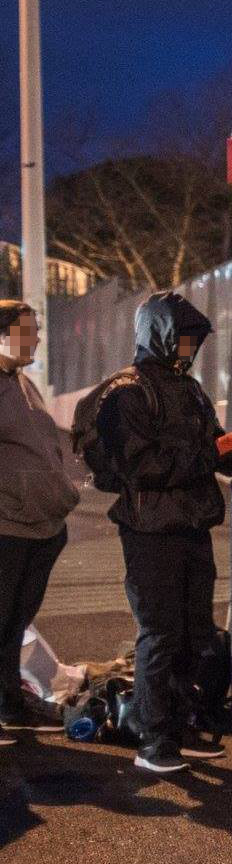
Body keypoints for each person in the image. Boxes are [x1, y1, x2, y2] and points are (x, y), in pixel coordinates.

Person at [97, 292, 232, 774]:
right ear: (161, 335)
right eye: (184, 338)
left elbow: (210, 447)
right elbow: (141, 465)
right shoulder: (127, 392)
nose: (190, 348)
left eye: (194, 340)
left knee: (193, 635)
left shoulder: (189, 389)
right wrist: (215, 452)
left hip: (190, 526)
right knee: (160, 635)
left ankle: (180, 725)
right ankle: (154, 739)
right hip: (150, 530)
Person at [0, 301, 78, 742]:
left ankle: (11, 706)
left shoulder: (22, 383)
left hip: (39, 528)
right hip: (7, 526)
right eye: (26, 330)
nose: (36, 338)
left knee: (14, 623)